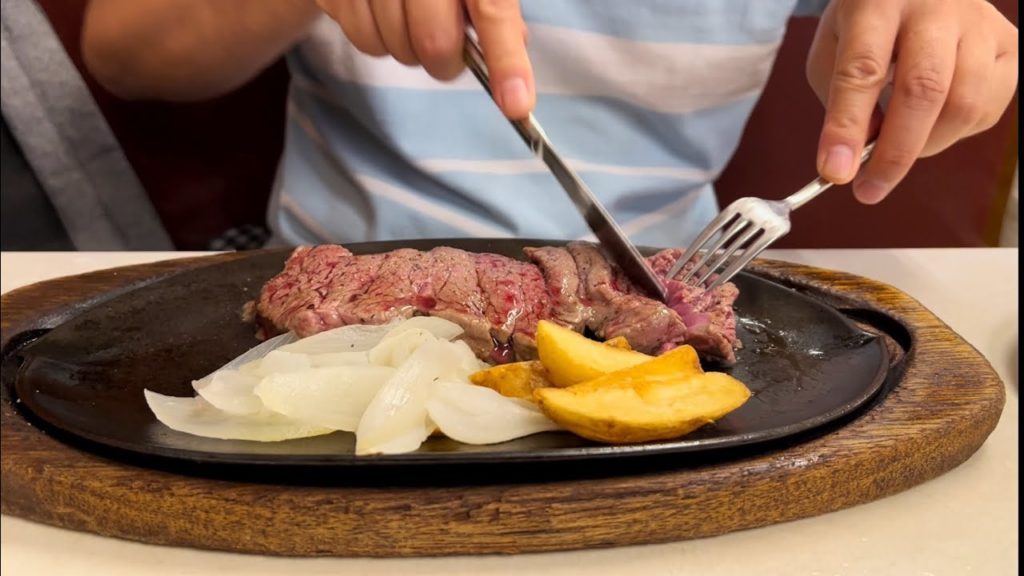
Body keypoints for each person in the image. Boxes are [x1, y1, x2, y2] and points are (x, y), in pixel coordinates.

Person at [80, 0, 1018, 248]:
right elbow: (125, 50)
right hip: (334, 290)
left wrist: (948, 29)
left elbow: (914, 25)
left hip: (661, 306)